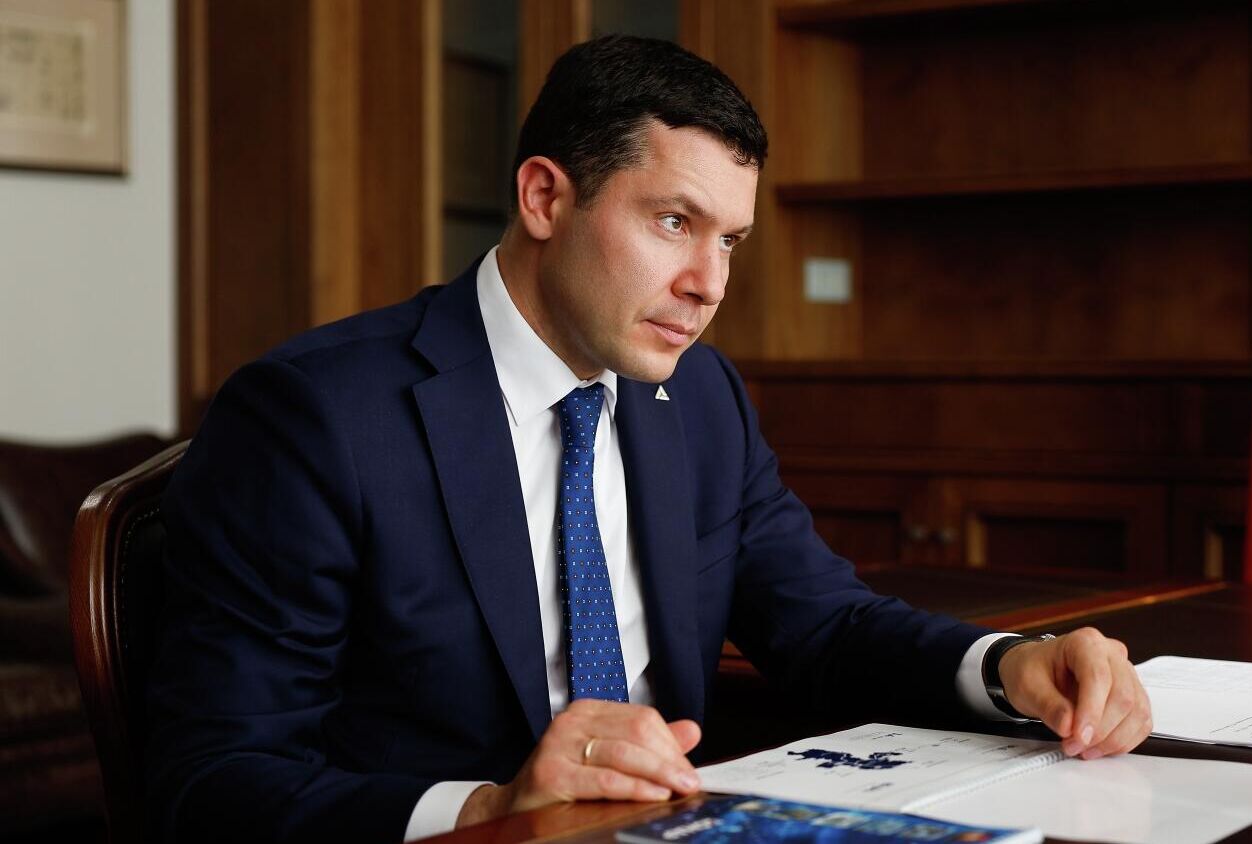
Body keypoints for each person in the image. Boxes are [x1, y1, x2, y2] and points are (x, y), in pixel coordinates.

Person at [146, 35, 1151, 844]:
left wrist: (1007, 666)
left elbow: (824, 625)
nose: (709, 284)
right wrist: (491, 810)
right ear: (545, 198)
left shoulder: (700, 395)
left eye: (729, 240)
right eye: (674, 221)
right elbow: (213, 779)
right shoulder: (314, 417)